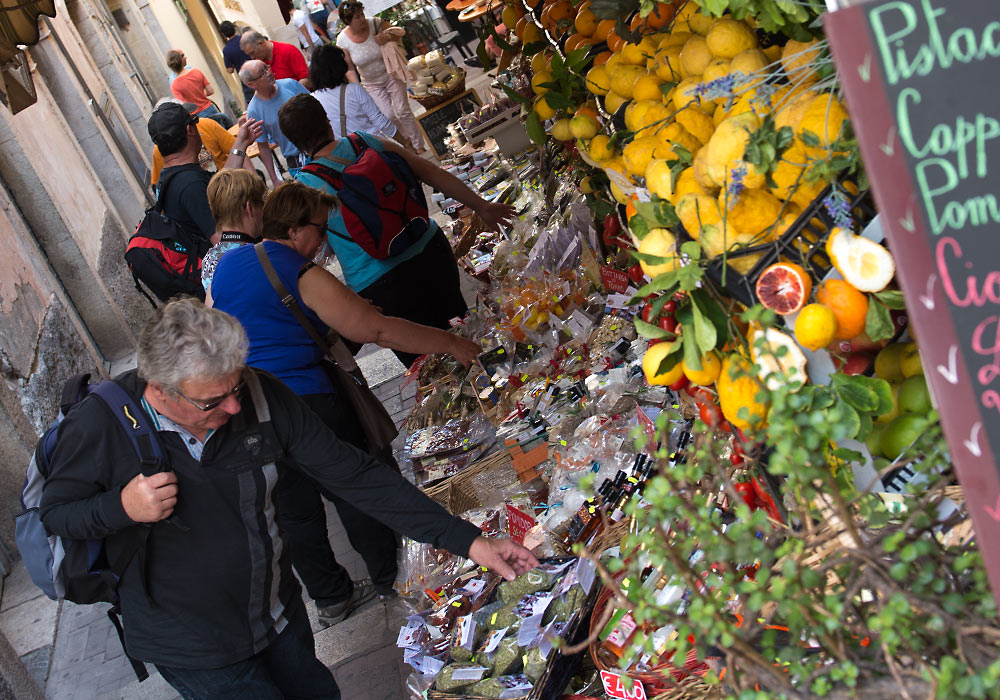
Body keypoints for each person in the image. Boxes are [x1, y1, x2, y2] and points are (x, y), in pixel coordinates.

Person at [38, 297, 537, 700]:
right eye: (214, 401)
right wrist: (121, 508)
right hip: (194, 646)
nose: (235, 406)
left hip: (278, 616)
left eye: (237, 385)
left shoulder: (258, 395)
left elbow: (355, 475)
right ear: (161, 391)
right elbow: (57, 516)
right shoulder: (101, 426)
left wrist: (471, 543)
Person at [209, 181, 482, 622]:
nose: (323, 242)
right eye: (320, 229)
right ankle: (388, 575)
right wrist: (448, 342)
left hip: (251, 406)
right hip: (306, 401)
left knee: (293, 507)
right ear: (296, 230)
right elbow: (376, 330)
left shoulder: (227, 265)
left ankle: (331, 598)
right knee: (352, 486)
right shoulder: (299, 270)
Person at [279, 93, 516, 367]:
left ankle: (475, 400)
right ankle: (501, 378)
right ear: (327, 121)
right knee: (466, 331)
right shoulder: (366, 142)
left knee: (429, 367)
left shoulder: (306, 185)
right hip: (430, 251)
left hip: (380, 284)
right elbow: (430, 171)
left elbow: (304, 252)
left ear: (295, 144)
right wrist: (482, 206)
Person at [147, 101, 263, 245]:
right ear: (190, 130)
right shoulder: (190, 185)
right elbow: (224, 243)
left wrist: (240, 144)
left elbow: (218, 185)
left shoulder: (171, 176)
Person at [335, 1, 426, 152]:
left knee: (402, 110)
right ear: (348, 22)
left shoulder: (375, 23)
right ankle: (407, 142)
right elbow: (349, 68)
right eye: (357, 17)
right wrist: (357, 87)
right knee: (388, 116)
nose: (362, 19)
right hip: (371, 83)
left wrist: (387, 36)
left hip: (391, 73)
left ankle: (418, 145)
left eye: (362, 14)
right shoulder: (342, 40)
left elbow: (399, 32)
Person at [309, 44, 406, 146]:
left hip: (347, 155)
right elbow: (380, 121)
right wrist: (405, 143)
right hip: (373, 148)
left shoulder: (312, 100)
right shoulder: (354, 89)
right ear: (339, 66)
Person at [150, 99, 254, 188]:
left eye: (191, 117)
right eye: (186, 117)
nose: (192, 121)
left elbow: (238, 152)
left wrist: (255, 178)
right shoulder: (162, 150)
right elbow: (158, 185)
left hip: (230, 182)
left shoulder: (207, 124)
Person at [241, 59, 310, 185]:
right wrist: (274, 179)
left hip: (319, 147)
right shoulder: (254, 110)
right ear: (251, 84)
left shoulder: (290, 85)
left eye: (266, 68)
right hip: (297, 163)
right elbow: (263, 145)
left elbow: (318, 108)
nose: (268, 73)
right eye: (262, 73)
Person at [201, 169, 267, 290]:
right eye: (263, 202)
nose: (265, 208)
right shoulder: (259, 257)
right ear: (250, 208)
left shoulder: (209, 260)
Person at [166, 49, 232, 128]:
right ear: (180, 60)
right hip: (210, 109)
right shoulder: (196, 72)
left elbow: (183, 107)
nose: (186, 57)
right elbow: (210, 91)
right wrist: (199, 95)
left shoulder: (174, 85)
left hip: (198, 118)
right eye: (183, 56)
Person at [240, 30, 310, 82]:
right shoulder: (258, 63)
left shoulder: (287, 50)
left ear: (260, 43)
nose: (252, 57)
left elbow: (306, 78)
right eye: (249, 55)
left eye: (253, 52)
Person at [220, 21, 255, 105]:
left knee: (252, 103)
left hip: (246, 79)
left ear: (223, 34)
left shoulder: (227, 50)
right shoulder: (245, 39)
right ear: (234, 28)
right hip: (258, 70)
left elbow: (230, 70)